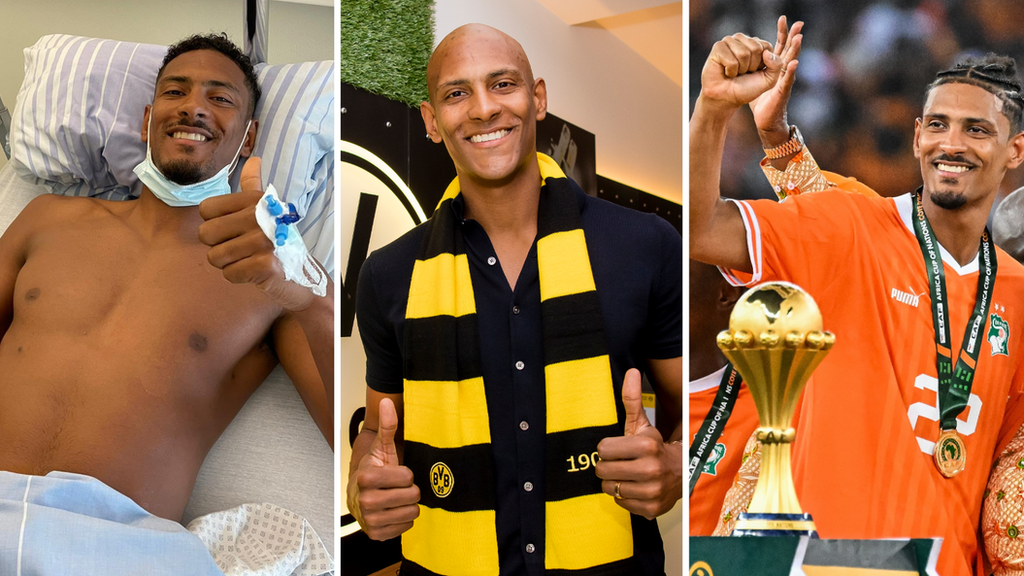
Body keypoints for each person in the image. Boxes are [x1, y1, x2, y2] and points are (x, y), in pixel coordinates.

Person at [691, 22, 1024, 576]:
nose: (952, 144)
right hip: (822, 563)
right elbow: (701, 229)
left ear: (1014, 150)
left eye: (976, 129)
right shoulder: (849, 226)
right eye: (938, 125)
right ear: (918, 136)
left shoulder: (1017, 293)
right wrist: (713, 109)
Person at [349, 23, 682, 575]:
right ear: (432, 121)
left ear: (538, 99)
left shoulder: (644, 245)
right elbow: (378, 430)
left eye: (502, 84)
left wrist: (673, 465)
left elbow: (691, 412)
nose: (482, 109)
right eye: (457, 93)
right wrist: (363, 488)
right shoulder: (387, 275)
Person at [0, 33, 334, 573]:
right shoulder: (46, 218)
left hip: (120, 549)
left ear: (248, 139)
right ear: (147, 120)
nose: (195, 106)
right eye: (176, 92)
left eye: (220, 98)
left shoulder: (269, 278)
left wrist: (309, 289)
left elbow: (349, 436)